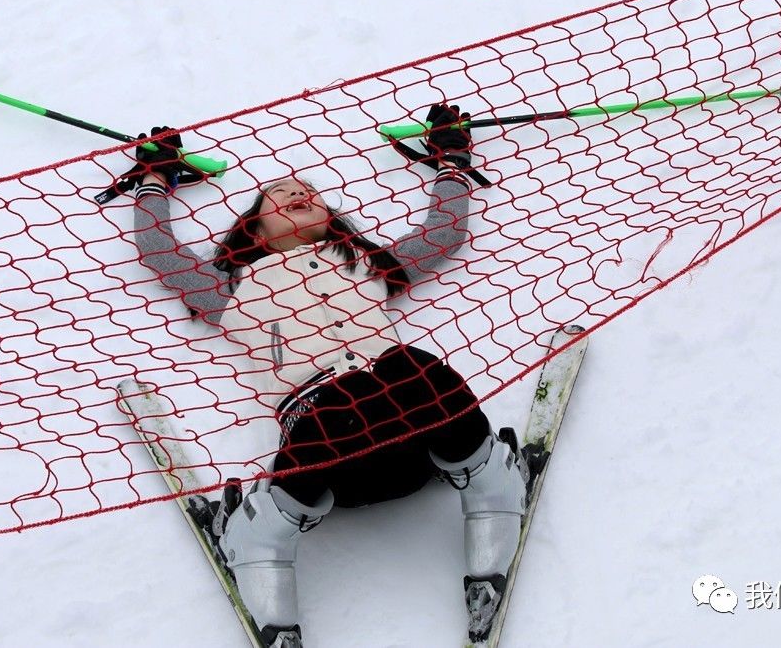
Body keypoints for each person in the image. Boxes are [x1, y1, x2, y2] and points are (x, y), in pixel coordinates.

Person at [126, 105, 529, 647]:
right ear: (255, 225)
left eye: (309, 192)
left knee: (408, 365)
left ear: (331, 218)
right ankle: (259, 536)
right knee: (350, 394)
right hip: (330, 459)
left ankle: (489, 478)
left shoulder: (365, 265)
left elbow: (445, 232)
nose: (299, 194)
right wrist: (154, 179)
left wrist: (452, 160)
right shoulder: (228, 288)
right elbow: (158, 252)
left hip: (417, 441)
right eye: (280, 195)